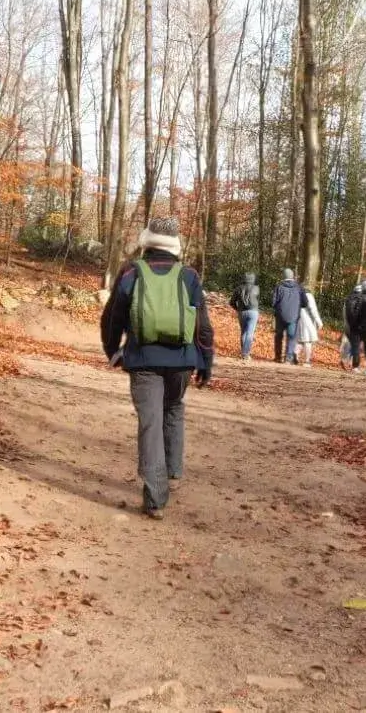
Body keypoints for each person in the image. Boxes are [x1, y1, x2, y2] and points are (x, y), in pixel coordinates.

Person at [100, 217, 214, 520]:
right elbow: (202, 325)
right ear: (175, 244)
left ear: (146, 241)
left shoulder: (131, 272)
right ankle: (172, 472)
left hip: (143, 359)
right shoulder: (189, 275)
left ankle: (154, 498)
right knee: (174, 408)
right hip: (182, 360)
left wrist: (114, 351)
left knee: (150, 422)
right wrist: (206, 362)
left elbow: (112, 317)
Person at [271, 268, 306, 364]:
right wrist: (297, 305)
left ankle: (278, 357)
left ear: (284, 276)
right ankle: (288, 358)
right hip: (294, 317)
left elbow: (273, 302)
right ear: (292, 276)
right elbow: (305, 303)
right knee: (291, 337)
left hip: (280, 316)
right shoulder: (299, 288)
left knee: (278, 336)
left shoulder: (279, 287)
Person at [230, 272, 260, 360]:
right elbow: (257, 299)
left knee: (243, 332)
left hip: (241, 312)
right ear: (253, 279)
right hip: (253, 311)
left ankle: (244, 352)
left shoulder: (238, 289)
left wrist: (237, 309)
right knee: (250, 332)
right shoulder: (256, 288)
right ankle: (245, 353)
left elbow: (231, 302)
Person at [343, 281, 366, 372]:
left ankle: (347, 361)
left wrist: (347, 324)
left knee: (352, 344)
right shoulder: (361, 299)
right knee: (357, 346)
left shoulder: (348, 299)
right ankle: (355, 366)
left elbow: (345, 313)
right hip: (358, 327)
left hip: (349, 325)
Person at [296, 288, 324, 366]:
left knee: (300, 341)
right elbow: (313, 310)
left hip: (299, 319)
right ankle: (307, 361)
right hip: (308, 320)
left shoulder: (298, 295)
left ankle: (294, 357)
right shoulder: (309, 296)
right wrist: (319, 322)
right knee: (308, 341)